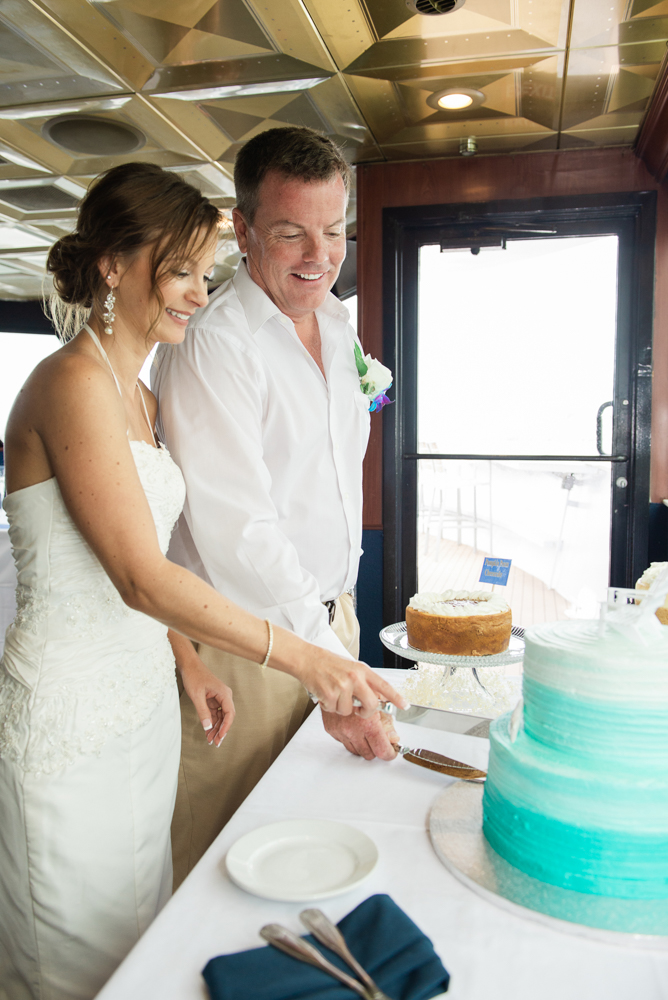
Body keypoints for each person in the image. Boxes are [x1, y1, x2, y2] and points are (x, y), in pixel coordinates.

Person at [0, 161, 405, 1000]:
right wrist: (305, 658)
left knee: (144, 938)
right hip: (71, 718)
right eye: (179, 270)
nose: (195, 292)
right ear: (115, 265)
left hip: (142, 705)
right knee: (74, 956)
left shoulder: (139, 396)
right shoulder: (70, 382)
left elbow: (147, 545)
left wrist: (185, 660)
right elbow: (142, 577)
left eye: (202, 272)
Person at [153, 126, 400, 888]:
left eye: (332, 231)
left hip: (330, 619)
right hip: (246, 647)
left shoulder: (337, 321)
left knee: (324, 843)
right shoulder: (214, 344)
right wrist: (320, 655)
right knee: (227, 862)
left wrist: (337, 636)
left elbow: (329, 474)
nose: (318, 256)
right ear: (244, 226)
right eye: (291, 232)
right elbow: (239, 530)